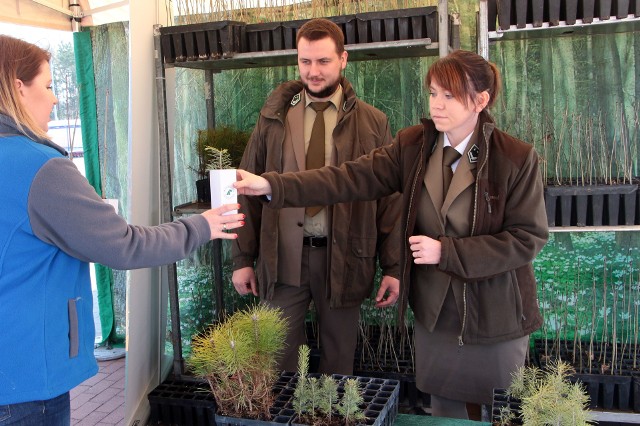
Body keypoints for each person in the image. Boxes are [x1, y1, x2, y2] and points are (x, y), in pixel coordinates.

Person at [234, 49, 549, 420]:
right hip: (436, 311)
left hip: (497, 312)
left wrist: (445, 252)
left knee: (499, 408)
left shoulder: (515, 157)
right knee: (445, 407)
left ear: (481, 100)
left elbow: (527, 238)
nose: (437, 104)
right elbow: (346, 178)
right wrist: (271, 185)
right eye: (433, 93)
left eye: (449, 95)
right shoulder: (414, 146)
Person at [0, 35, 244, 425]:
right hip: (25, 378)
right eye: (47, 85)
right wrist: (202, 225)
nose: (55, 99)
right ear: (17, 87)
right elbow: (124, 246)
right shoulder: (39, 168)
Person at [231, 18, 401, 375]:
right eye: (305, 61)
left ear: (343, 59)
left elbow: (390, 202)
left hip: (344, 257)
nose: (313, 71)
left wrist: (394, 267)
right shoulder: (273, 119)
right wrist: (243, 257)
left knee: (339, 363)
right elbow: (246, 189)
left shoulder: (373, 123)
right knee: (276, 359)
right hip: (282, 259)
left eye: (323, 61)